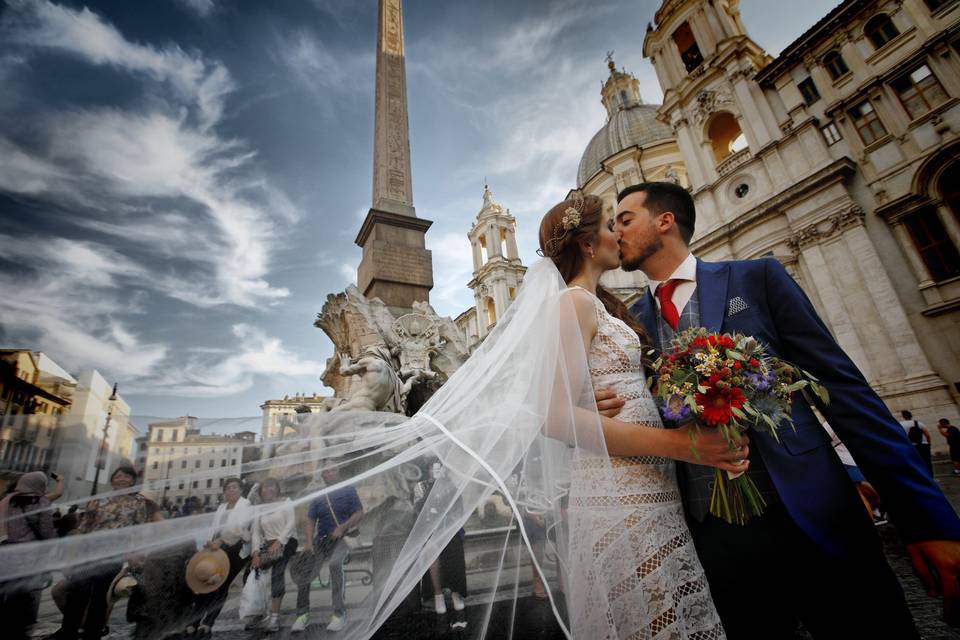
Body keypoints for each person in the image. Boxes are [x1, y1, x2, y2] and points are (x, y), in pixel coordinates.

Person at [601, 181, 960, 637]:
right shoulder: (629, 327)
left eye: (625, 220)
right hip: (712, 541)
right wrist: (600, 403)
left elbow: (848, 395)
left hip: (811, 515)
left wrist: (927, 520)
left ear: (665, 221)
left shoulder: (758, 278)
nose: (615, 233)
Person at [50, 465, 163, 640]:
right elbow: (83, 529)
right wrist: (70, 558)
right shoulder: (98, 500)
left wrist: (136, 552)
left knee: (101, 597)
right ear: (112, 480)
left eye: (126, 476)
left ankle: (92, 634)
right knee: (77, 593)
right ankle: (68, 633)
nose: (121, 479)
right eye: (118, 476)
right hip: (88, 550)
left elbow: (138, 530)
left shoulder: (138, 502)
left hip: (113, 553)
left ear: (133, 481)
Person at [293, 463, 363, 633]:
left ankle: (339, 613)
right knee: (305, 568)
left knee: (334, 564)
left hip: (342, 539)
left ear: (338, 472)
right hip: (322, 540)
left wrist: (343, 527)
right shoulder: (319, 495)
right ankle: (302, 614)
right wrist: (308, 543)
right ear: (322, 475)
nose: (329, 473)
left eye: (333, 470)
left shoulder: (348, 490)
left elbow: (360, 513)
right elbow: (310, 520)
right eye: (326, 471)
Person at [0, 471, 58, 640]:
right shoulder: (41, 501)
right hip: (28, 557)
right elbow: (47, 532)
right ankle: (15, 631)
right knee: (21, 595)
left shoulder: (7, 500)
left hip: (5, 554)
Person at [193, 478, 252, 636]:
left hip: (235, 548)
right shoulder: (221, 507)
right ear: (224, 492)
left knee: (221, 584)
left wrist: (221, 541)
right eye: (227, 488)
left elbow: (240, 528)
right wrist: (209, 542)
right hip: (216, 548)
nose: (230, 490)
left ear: (240, 490)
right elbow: (213, 528)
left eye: (234, 487)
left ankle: (208, 622)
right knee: (205, 583)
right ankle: (195, 620)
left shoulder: (245, 504)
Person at [415, 462, 466, 615]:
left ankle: (456, 593)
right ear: (429, 470)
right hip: (429, 530)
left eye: (440, 468)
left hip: (449, 529)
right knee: (432, 553)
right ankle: (438, 594)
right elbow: (417, 511)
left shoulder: (452, 487)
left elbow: (459, 510)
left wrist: (449, 520)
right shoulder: (422, 487)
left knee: (454, 552)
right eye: (433, 468)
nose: (437, 471)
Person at [247, 477, 296, 633]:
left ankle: (274, 618)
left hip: (287, 542)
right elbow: (255, 533)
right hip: (267, 545)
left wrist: (279, 542)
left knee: (277, 573)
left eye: (271, 487)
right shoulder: (260, 508)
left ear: (277, 488)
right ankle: (259, 614)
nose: (268, 490)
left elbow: (291, 524)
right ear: (261, 491)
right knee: (253, 572)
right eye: (265, 487)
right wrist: (255, 553)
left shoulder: (286, 501)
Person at [900, 410, 934, 475]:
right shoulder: (919, 423)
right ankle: (930, 476)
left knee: (915, 463)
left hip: (911, 446)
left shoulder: (901, 424)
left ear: (903, 416)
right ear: (911, 415)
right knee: (927, 462)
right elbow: (927, 435)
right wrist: (929, 444)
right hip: (923, 445)